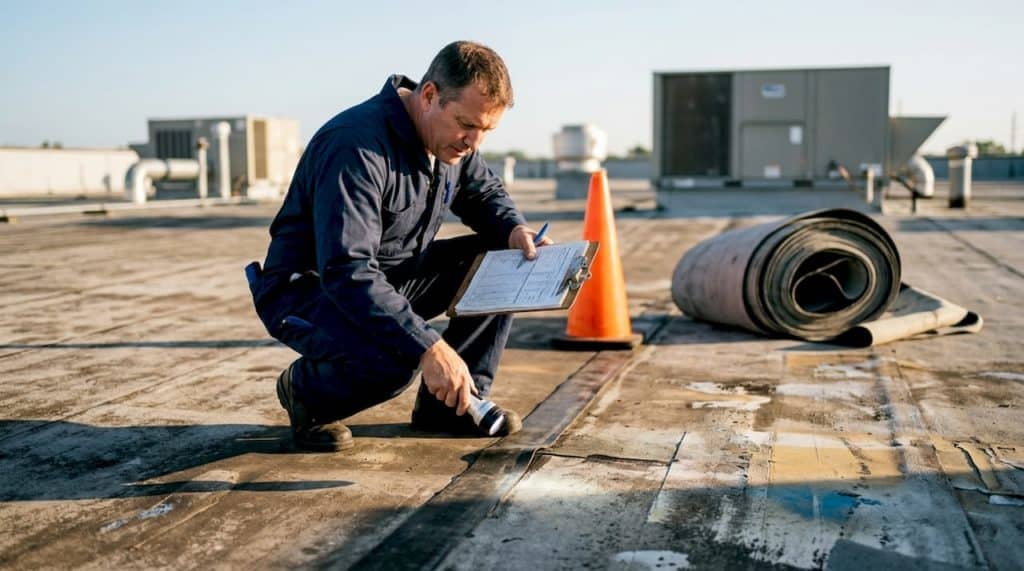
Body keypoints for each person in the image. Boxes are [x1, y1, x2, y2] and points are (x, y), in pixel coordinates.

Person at [246, 41, 551, 452]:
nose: (473, 143)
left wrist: (515, 230)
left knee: (500, 261)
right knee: (394, 359)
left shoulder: (450, 142)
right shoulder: (356, 146)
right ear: (429, 96)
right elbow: (347, 270)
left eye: (485, 131)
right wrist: (428, 345)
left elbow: (483, 193)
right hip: (312, 290)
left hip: (391, 278)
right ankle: (305, 394)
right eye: (466, 124)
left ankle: (452, 406)